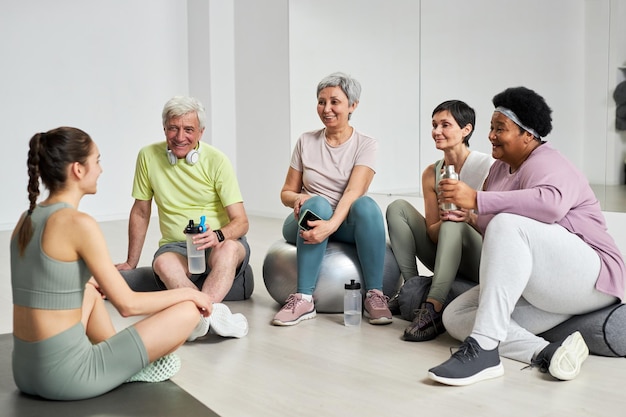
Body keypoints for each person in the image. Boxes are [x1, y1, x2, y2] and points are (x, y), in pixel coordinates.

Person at [428, 87, 626, 386]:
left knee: (508, 222)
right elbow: (498, 234)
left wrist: (478, 200)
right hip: (544, 285)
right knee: (456, 315)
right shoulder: (498, 170)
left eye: (500, 129)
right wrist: (469, 216)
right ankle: (547, 353)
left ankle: (482, 350)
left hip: (593, 275)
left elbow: (550, 205)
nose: (491, 135)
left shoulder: (550, 162)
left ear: (528, 135)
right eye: (491, 128)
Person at [10, 127, 215, 400]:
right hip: (65, 378)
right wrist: (190, 292)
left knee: (90, 291)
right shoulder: (79, 224)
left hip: (24, 372)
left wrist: (91, 281)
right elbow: (128, 305)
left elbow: (48, 281)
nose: (101, 169)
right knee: (190, 310)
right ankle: (127, 368)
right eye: (97, 161)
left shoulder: (26, 218)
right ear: (78, 170)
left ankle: (117, 360)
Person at [117, 96, 249, 341]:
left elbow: (241, 221)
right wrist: (130, 262)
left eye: (188, 129)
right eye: (173, 128)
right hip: (176, 247)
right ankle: (207, 315)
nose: (180, 137)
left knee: (229, 249)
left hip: (218, 242)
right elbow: (141, 211)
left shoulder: (217, 160)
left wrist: (217, 235)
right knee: (163, 264)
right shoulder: (147, 156)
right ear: (164, 128)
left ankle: (193, 316)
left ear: (201, 132)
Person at [272, 72, 393, 326]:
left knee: (367, 205)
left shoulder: (366, 144)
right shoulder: (306, 141)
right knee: (317, 203)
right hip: (307, 218)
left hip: (343, 223)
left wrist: (331, 225)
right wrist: (299, 198)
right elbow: (286, 192)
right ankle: (304, 298)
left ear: (352, 105)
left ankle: (375, 295)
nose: (326, 109)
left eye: (334, 102)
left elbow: (353, 192)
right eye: (321, 101)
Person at [386, 100, 493, 342]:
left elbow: (498, 230)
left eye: (445, 125)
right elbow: (433, 232)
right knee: (397, 208)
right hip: (446, 250)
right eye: (434, 125)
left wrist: (467, 217)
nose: (436, 131)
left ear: (466, 130)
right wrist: (446, 220)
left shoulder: (487, 167)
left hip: (480, 256)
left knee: (456, 221)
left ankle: (433, 308)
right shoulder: (431, 173)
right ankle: (410, 291)